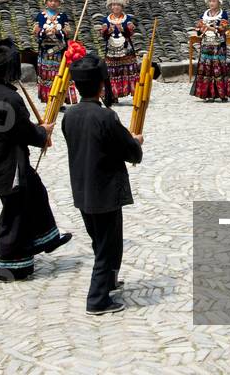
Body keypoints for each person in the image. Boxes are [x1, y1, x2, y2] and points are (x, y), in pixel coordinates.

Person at [0, 39, 72, 282]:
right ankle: (6, 266)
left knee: (36, 192)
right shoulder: (9, 98)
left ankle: (46, 238)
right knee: (14, 212)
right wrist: (43, 132)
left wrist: (39, 130)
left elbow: (10, 127)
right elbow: (21, 131)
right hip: (10, 164)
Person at [63, 51, 143, 315]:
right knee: (107, 245)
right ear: (101, 85)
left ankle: (109, 279)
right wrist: (135, 142)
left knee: (103, 239)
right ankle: (97, 299)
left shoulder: (69, 116)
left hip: (82, 188)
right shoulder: (106, 116)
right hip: (105, 190)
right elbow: (128, 151)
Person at [34, 0, 78, 105]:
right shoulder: (40, 16)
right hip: (45, 52)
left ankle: (60, 100)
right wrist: (45, 32)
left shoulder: (62, 16)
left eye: (56, 1)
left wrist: (58, 32)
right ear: (46, 2)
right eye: (50, 1)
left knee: (59, 75)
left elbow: (67, 32)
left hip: (59, 52)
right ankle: (48, 99)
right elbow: (36, 32)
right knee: (46, 75)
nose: (53, 3)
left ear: (59, 3)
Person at [191, 0, 230, 102]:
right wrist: (201, 29)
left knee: (218, 68)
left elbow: (223, 28)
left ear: (219, 2)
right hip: (206, 45)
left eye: (214, 1)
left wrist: (210, 28)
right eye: (210, 1)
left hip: (218, 47)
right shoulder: (204, 14)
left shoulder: (223, 14)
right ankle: (208, 94)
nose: (211, 3)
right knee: (207, 69)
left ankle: (222, 94)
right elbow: (199, 30)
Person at [99, 0, 138, 104]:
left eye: (118, 5)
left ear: (122, 6)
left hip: (126, 50)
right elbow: (103, 36)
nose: (115, 7)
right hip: (111, 50)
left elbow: (130, 33)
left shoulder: (128, 19)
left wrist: (124, 29)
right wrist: (107, 31)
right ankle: (112, 95)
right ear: (110, 6)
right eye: (113, 5)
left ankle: (134, 93)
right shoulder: (106, 19)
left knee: (129, 71)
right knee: (111, 72)